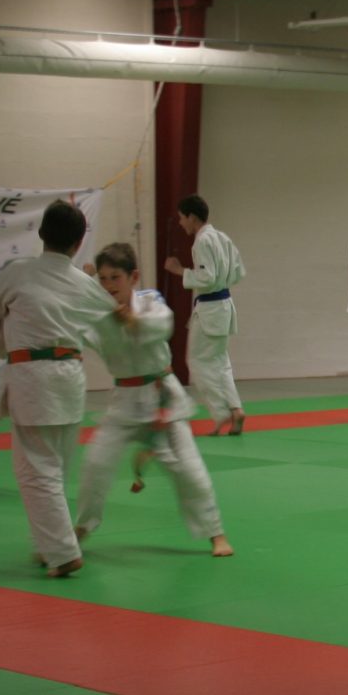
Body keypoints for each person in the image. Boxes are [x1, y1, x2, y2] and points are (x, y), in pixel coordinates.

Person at [0, 201, 120, 578]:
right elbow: (112, 325)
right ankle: (48, 545)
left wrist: (8, 351)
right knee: (53, 467)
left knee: (35, 471)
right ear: (78, 243)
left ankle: (62, 552)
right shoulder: (85, 285)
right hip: (70, 377)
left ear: (41, 235)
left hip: (32, 375)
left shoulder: (18, 273)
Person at [74, 243, 232, 557]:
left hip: (163, 398)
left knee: (190, 470)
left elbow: (163, 327)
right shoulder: (98, 313)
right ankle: (79, 530)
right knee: (95, 464)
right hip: (124, 402)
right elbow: (79, 332)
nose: (108, 286)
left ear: (133, 277)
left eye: (115, 278)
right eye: (102, 279)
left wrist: (131, 320)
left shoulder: (150, 302)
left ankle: (215, 533)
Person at [164, 194, 246, 436]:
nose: (181, 223)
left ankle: (222, 414)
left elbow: (207, 277)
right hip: (224, 304)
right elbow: (239, 271)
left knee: (197, 362)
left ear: (192, 217)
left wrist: (180, 270)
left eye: (182, 218)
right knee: (221, 363)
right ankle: (236, 409)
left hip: (210, 308)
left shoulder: (202, 241)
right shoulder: (222, 237)